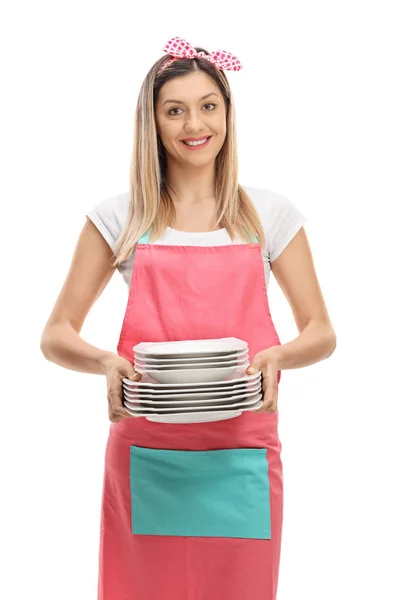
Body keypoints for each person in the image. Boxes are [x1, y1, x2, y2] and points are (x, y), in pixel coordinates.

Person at [40, 36, 336, 600]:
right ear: (151, 122)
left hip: (240, 452)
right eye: (174, 109)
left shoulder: (269, 215)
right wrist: (105, 361)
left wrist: (279, 358)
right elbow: (55, 335)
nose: (193, 124)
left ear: (227, 114)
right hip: (148, 453)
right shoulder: (120, 217)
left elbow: (321, 332)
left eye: (208, 105)